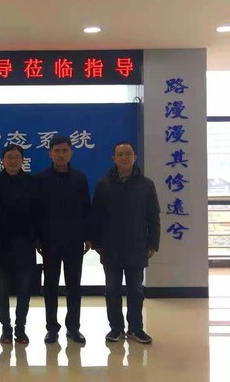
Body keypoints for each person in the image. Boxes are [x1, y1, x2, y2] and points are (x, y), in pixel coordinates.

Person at [90, 141, 160, 344]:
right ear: (113, 158)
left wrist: (153, 243)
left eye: (128, 154)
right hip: (110, 246)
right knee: (112, 290)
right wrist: (96, 242)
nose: (124, 158)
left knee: (136, 290)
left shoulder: (146, 185)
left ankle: (136, 328)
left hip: (136, 245)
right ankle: (116, 328)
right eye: (120, 154)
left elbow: (153, 216)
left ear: (134, 157)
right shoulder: (103, 185)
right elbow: (96, 216)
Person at [36, 135, 91, 345]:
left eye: (64, 151)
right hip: (49, 241)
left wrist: (88, 236)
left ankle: (73, 328)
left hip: (74, 241)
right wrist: (38, 239)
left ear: (71, 153)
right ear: (50, 154)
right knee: (50, 286)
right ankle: (52, 328)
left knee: (74, 286)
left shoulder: (80, 178)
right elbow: (37, 212)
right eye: (57, 151)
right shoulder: (41, 179)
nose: (61, 154)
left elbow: (86, 209)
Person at [0, 144, 41, 345]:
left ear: (22, 160)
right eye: (9, 157)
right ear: (2, 160)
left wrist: (37, 240)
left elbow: (38, 215)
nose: (13, 161)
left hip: (25, 246)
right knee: (1, 291)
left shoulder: (31, 183)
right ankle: (6, 329)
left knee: (24, 291)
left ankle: (21, 328)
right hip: (1, 247)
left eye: (16, 157)